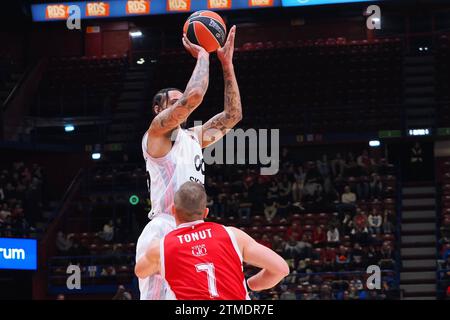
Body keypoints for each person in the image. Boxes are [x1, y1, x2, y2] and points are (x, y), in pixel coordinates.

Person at [136, 26, 243, 300]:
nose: (179, 104)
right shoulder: (156, 134)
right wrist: (204, 54)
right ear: (158, 111)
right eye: (173, 102)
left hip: (193, 230)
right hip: (164, 227)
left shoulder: (194, 136)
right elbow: (193, 97)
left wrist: (227, 64)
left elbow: (233, 115)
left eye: (178, 100)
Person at [135, 182, 289, 300]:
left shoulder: (161, 248)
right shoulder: (232, 235)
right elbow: (281, 269)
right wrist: (252, 285)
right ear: (206, 212)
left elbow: (140, 272)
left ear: (174, 210)